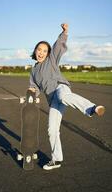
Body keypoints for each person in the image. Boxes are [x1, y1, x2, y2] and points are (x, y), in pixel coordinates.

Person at [28, 23, 105, 170]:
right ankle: (56, 160)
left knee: (64, 97)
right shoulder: (33, 71)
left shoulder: (51, 60)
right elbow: (35, 88)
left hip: (61, 88)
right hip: (52, 100)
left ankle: (92, 108)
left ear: (48, 53)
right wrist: (31, 93)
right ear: (35, 51)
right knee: (52, 129)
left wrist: (64, 33)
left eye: (45, 50)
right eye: (39, 50)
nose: (41, 53)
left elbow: (58, 46)